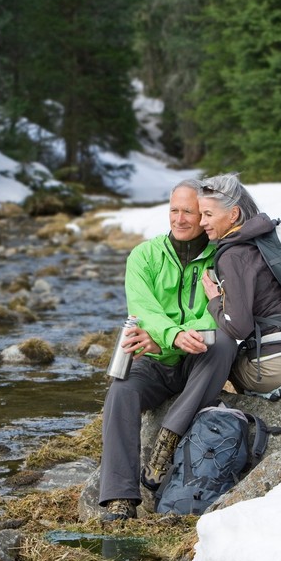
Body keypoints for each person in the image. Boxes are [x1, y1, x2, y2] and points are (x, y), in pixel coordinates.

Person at [98, 179, 235, 521]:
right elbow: (143, 309)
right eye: (174, 210)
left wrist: (186, 336)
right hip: (156, 358)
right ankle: (120, 499)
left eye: (188, 211)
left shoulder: (223, 256)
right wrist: (168, 338)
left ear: (204, 215)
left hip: (198, 360)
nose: (179, 218)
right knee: (121, 390)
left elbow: (222, 312)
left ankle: (168, 438)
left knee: (223, 343)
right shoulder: (144, 255)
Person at [198, 172, 281, 397]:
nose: (202, 222)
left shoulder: (232, 256)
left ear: (233, 214)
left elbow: (239, 327)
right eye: (201, 214)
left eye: (208, 214)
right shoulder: (270, 238)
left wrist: (214, 301)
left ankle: (259, 413)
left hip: (279, 368)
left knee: (226, 358)